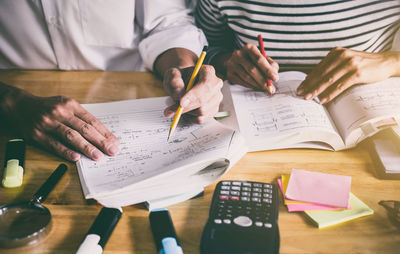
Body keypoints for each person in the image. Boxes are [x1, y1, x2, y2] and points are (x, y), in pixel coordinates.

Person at [0, 0, 223, 162]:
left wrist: (183, 69)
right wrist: (10, 102)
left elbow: (167, 24)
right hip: (12, 113)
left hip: (133, 94)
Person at [195, 0, 400, 103]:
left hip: (367, 122)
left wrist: (391, 61)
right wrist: (227, 63)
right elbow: (205, 48)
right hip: (255, 116)